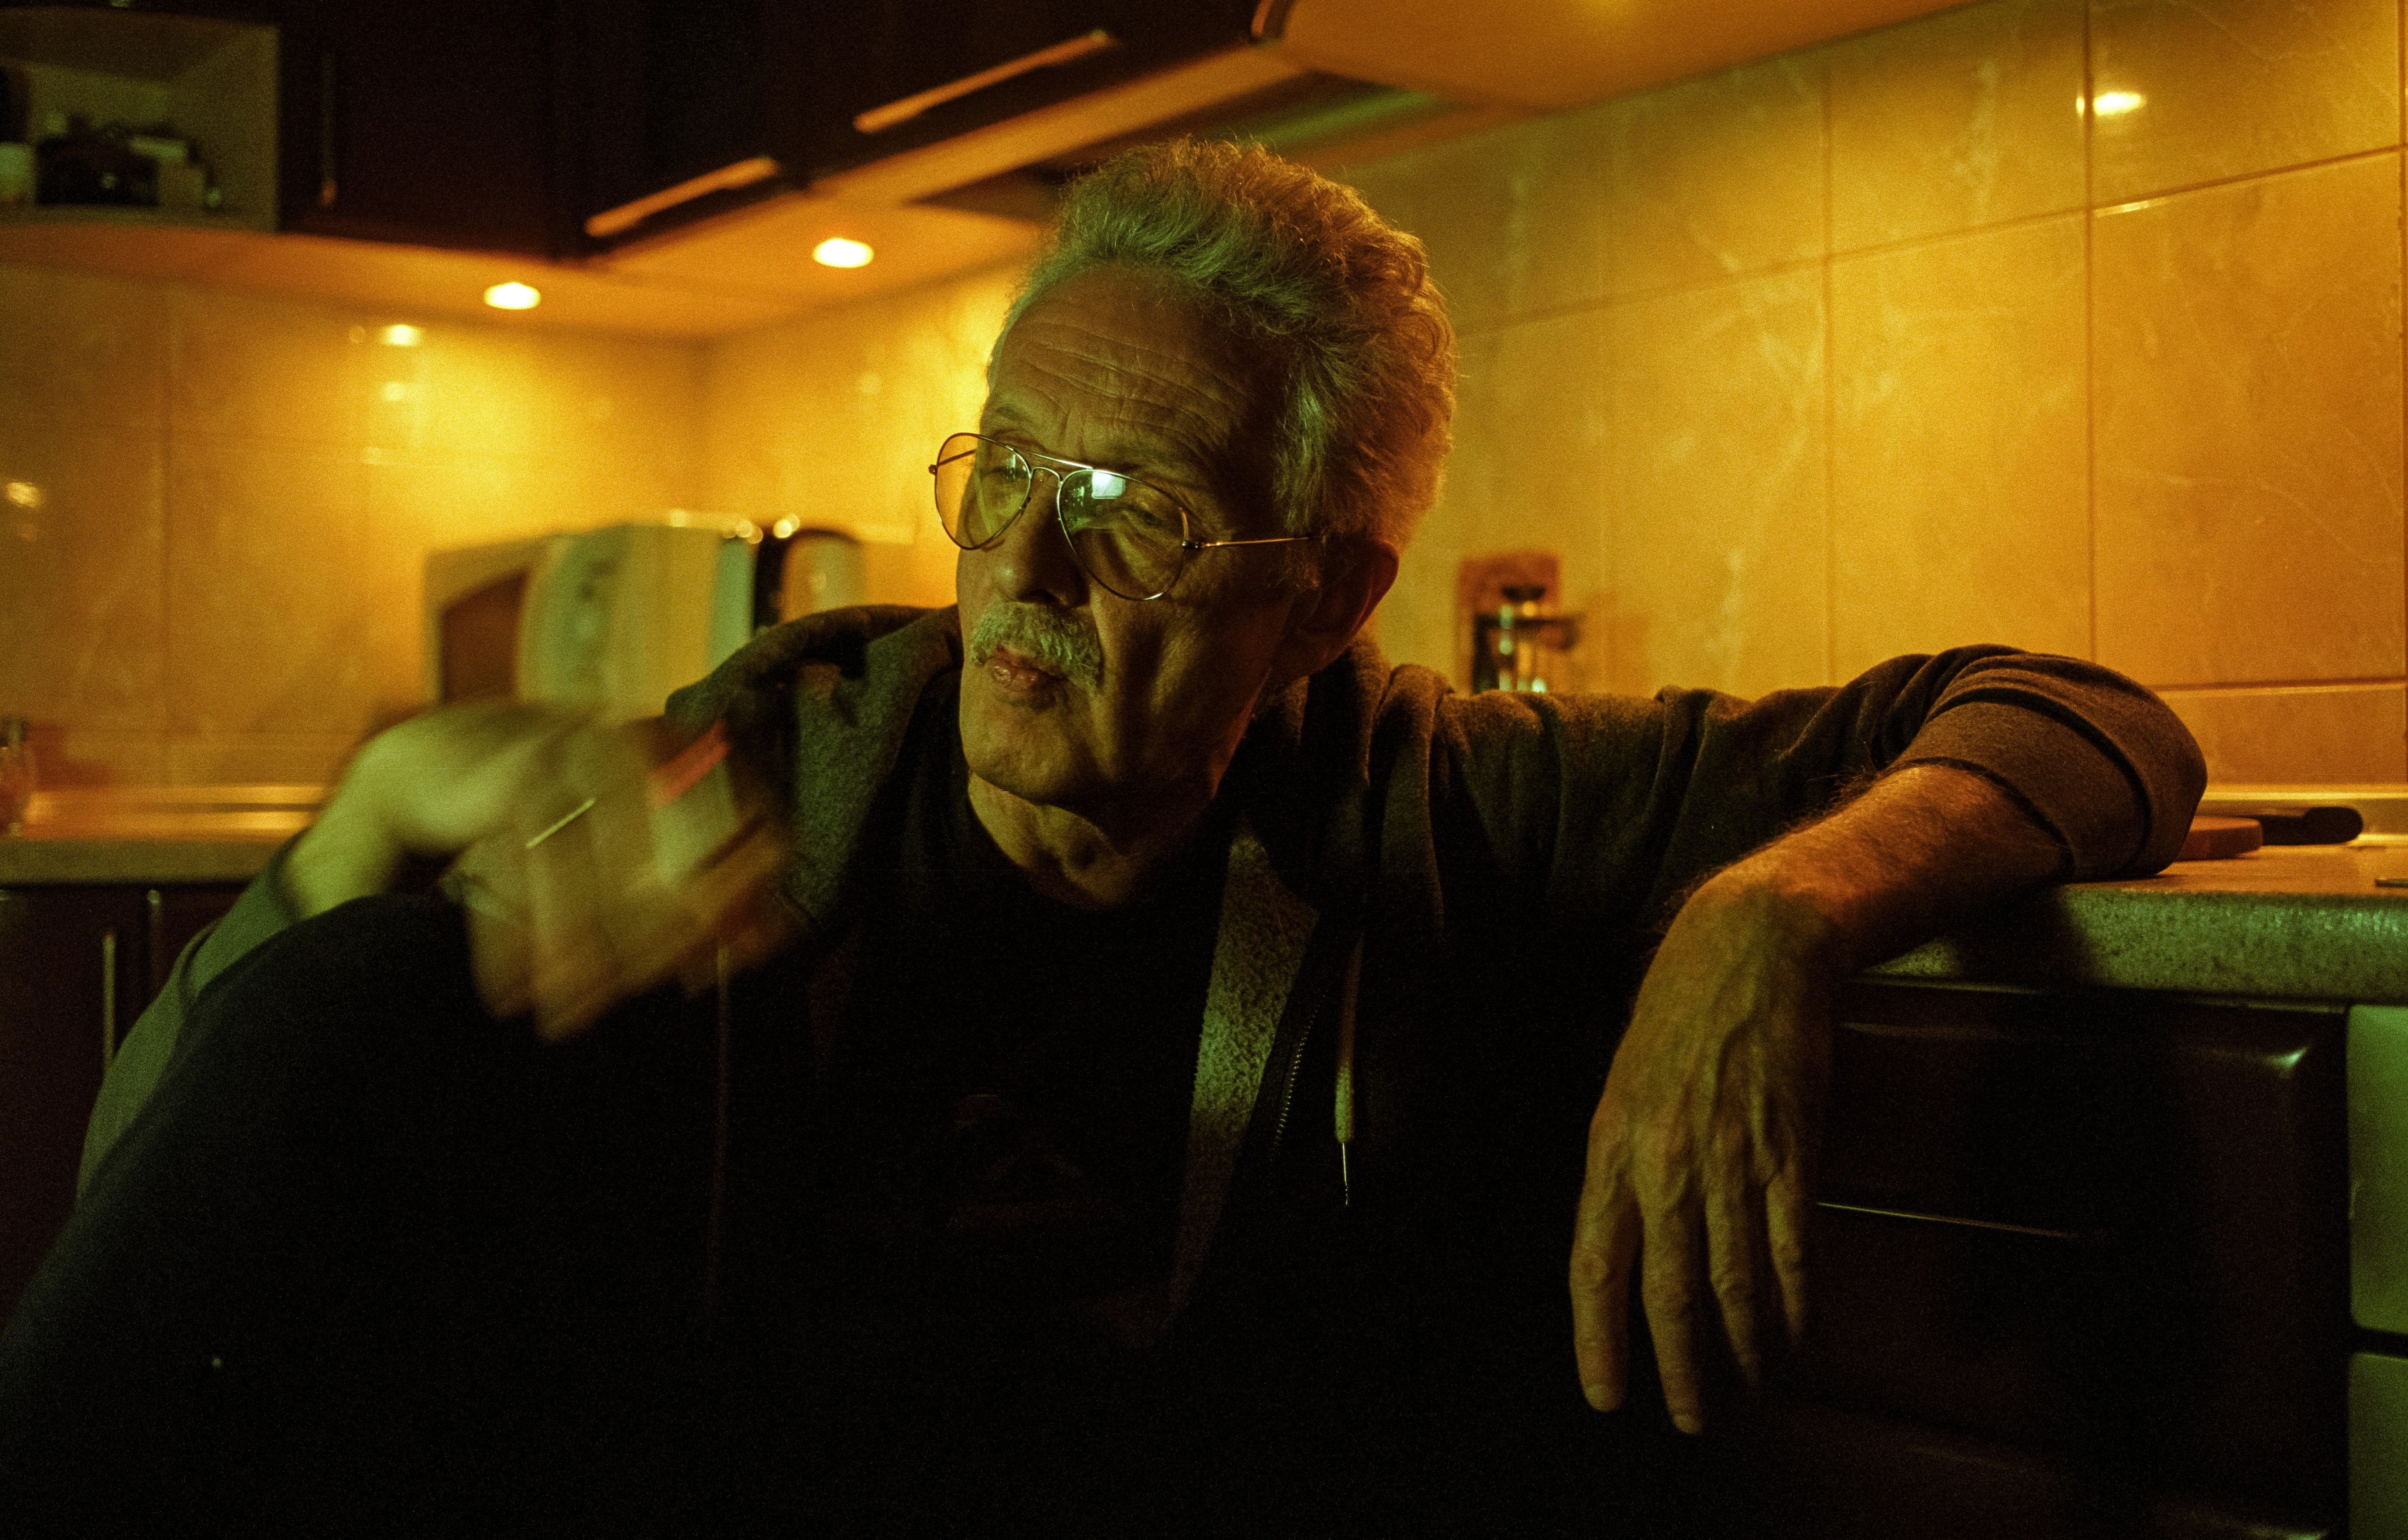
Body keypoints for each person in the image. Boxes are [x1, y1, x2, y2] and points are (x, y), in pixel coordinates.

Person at [1, 140, 2203, 1536]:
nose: (1024, 579)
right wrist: (350, 839)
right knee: (364, 985)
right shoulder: (766, 758)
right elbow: (186, 1150)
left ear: (1320, 593)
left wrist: (1777, 909)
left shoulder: (1435, 784)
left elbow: (2088, 716)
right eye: (1006, 479)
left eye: (1134, 515)